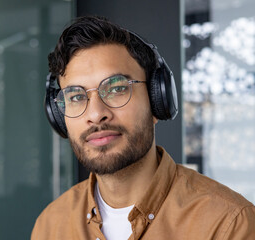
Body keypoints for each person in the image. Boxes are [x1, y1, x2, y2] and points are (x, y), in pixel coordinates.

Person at [31, 16, 255, 240]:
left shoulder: (228, 224)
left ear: (157, 101)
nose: (96, 114)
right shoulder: (51, 226)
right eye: (76, 96)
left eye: (117, 89)